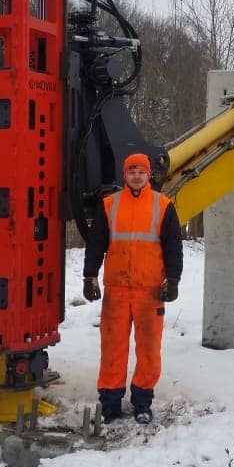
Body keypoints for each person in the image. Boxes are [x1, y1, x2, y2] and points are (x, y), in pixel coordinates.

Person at [82, 152, 183, 424]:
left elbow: (173, 245)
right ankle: (111, 403)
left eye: (141, 172)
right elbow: (96, 244)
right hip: (116, 290)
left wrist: (173, 280)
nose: (136, 176)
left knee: (148, 350)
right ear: (124, 175)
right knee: (113, 348)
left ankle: (142, 401)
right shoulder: (109, 205)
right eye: (131, 171)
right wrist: (89, 276)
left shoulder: (163, 205)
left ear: (149, 175)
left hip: (150, 291)